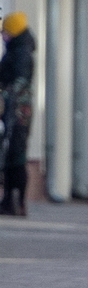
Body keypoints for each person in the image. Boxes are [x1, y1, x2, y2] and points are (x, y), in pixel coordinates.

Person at [0, 11, 35, 217]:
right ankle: (11, 201)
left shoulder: (21, 52)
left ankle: (16, 201)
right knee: (11, 151)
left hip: (18, 110)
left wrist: (7, 93)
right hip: (16, 109)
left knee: (16, 152)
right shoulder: (17, 49)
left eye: (5, 32)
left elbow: (19, 81)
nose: (3, 36)